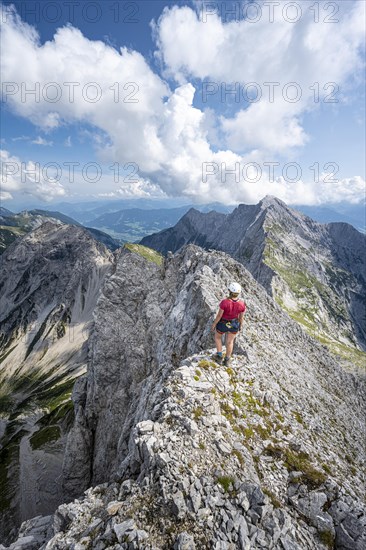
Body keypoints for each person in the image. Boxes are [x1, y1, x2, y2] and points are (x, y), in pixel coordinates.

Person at [211, 282, 246, 366]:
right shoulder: (242, 304)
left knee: (218, 337)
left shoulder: (224, 302)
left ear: (229, 291)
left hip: (223, 323)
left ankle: (219, 356)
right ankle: (227, 359)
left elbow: (219, 315)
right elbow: (241, 318)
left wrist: (214, 324)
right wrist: (240, 326)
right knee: (230, 342)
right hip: (234, 324)